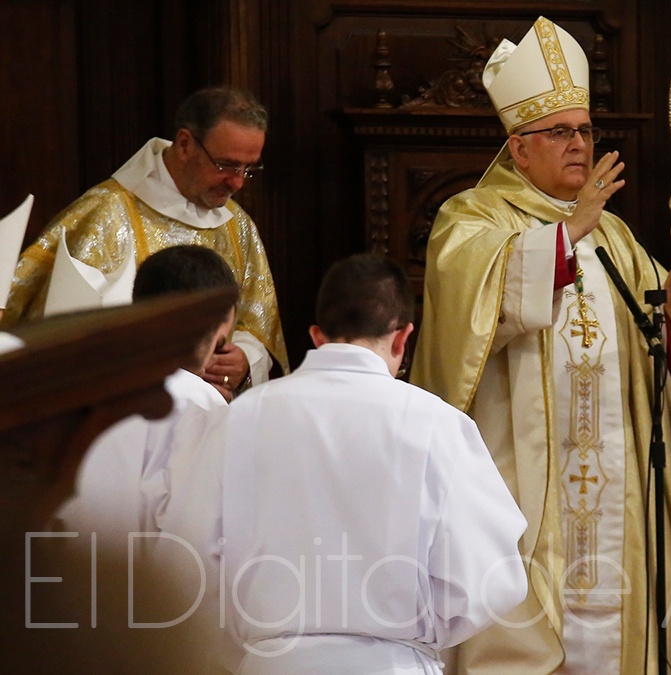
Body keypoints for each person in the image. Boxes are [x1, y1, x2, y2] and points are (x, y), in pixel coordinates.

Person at [410, 16, 671, 675]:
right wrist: (567, 233)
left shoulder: (617, 238)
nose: (579, 144)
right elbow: (465, 311)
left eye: (585, 130)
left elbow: (663, 362)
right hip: (518, 492)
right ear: (519, 149)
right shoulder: (473, 216)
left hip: (616, 501)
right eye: (560, 132)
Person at [167, 253, 528, 674]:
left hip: (270, 664)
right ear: (402, 338)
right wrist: (422, 634)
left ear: (317, 336)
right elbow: (493, 580)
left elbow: (185, 557)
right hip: (392, 664)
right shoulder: (439, 424)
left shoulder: (242, 417)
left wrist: (256, 646)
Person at [2, 86, 287, 397]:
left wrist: (244, 359)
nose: (238, 182)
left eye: (249, 168)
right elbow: (61, 330)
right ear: (185, 144)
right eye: (226, 165)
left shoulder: (237, 225)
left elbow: (258, 321)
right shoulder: (105, 215)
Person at [56, 244, 236, 549]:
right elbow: (190, 538)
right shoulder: (200, 403)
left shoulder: (63, 384)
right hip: (133, 576)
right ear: (218, 317)